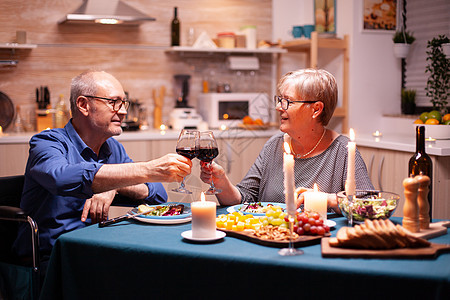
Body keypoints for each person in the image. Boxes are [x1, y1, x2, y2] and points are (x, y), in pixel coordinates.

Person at [13, 70, 192, 266]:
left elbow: (157, 195)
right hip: (50, 258)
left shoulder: (112, 147)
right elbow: (60, 178)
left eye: (124, 103)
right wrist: (147, 170)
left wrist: (114, 186)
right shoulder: (47, 142)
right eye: (114, 102)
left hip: (91, 248)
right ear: (83, 105)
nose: (123, 111)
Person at [200, 68, 374, 212]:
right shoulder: (275, 144)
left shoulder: (342, 150)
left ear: (316, 109)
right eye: (280, 100)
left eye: (287, 102)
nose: (278, 107)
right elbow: (244, 199)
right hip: (270, 239)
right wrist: (221, 181)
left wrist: (328, 199)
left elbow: (371, 206)